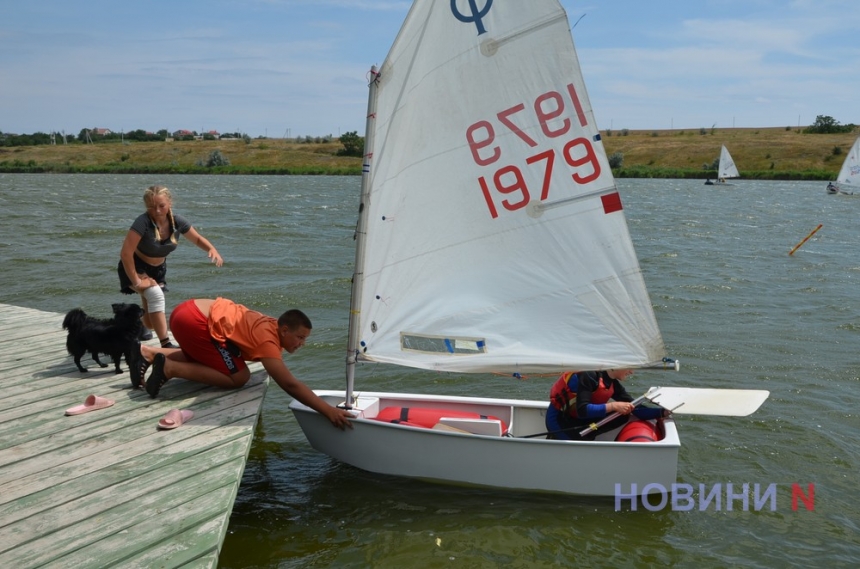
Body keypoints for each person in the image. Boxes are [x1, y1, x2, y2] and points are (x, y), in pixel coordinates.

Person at [130, 297, 353, 430]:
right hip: (195, 321)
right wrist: (328, 411)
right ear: (284, 330)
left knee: (212, 357)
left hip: (186, 311)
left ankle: (149, 353)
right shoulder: (268, 340)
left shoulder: (270, 326)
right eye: (300, 338)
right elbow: (289, 384)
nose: (302, 343)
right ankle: (170, 368)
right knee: (239, 377)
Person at [118, 185, 223, 348]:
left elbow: (196, 239)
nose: (158, 211)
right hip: (136, 267)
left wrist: (211, 248)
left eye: (162, 206)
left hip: (158, 271)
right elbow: (125, 254)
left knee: (151, 322)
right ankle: (166, 344)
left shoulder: (177, 222)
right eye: (152, 207)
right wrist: (138, 282)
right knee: (156, 296)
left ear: (169, 203)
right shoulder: (142, 222)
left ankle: (134, 324)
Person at [545, 369, 666, 440]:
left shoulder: (613, 384)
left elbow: (635, 408)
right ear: (617, 365)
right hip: (560, 422)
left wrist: (662, 412)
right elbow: (583, 410)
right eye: (630, 367)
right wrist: (614, 406)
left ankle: (586, 439)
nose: (632, 371)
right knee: (617, 410)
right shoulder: (589, 376)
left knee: (622, 415)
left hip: (581, 423)